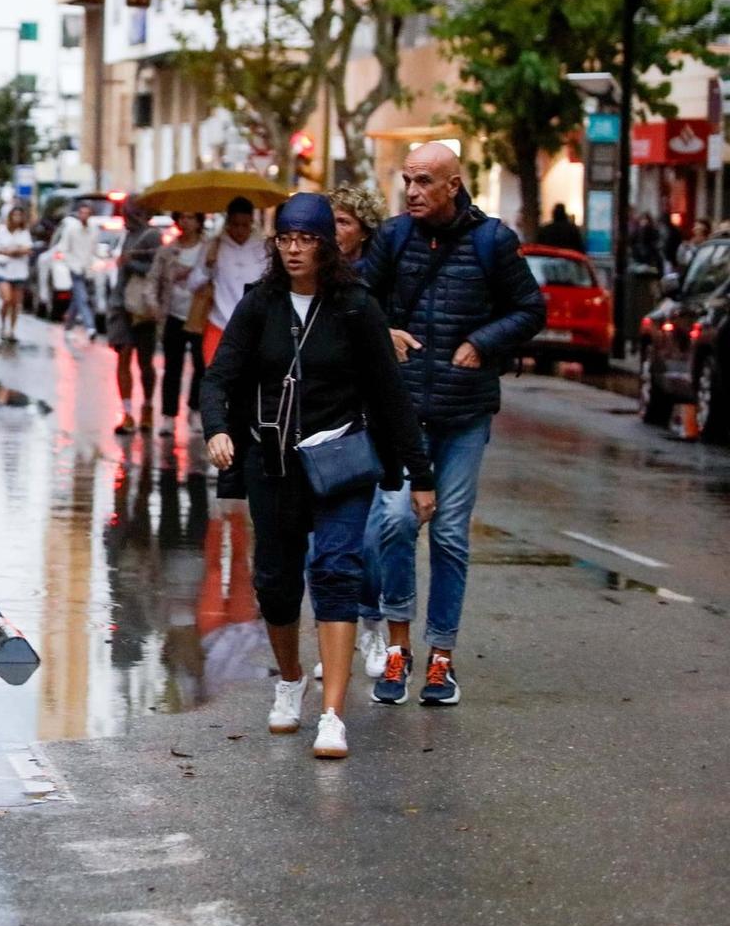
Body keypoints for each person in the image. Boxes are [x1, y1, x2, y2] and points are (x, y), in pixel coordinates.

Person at [202, 193, 437, 760]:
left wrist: (420, 473)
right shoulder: (260, 305)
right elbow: (219, 378)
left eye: (306, 240)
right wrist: (217, 429)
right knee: (275, 583)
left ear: (327, 247)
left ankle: (332, 714)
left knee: (336, 570)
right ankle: (290, 681)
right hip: (272, 464)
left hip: (339, 464)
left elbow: (390, 396)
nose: (294, 250)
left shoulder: (356, 307)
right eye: (285, 239)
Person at [360, 143, 545, 707]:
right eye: (407, 180)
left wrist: (480, 341)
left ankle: (441, 657)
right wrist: (384, 330)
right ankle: (397, 647)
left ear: (454, 185)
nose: (413, 191)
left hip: (464, 413)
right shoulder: (392, 237)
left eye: (424, 181)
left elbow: (531, 309)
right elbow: (358, 299)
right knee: (392, 523)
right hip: (403, 411)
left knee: (447, 533)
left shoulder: (494, 242)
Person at [323, 183, 390, 677]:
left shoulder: (380, 280)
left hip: (372, 421)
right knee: (320, 549)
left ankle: (371, 623)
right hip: (323, 423)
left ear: (364, 229)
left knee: (368, 537)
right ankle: (334, 637)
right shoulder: (311, 279)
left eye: (344, 222)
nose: (334, 231)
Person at [188, 196, 269, 365]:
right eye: (235, 224)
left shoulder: (264, 248)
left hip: (254, 330)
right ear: (227, 223)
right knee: (216, 382)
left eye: (244, 225)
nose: (239, 230)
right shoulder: (213, 246)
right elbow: (193, 284)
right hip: (219, 325)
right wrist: (207, 266)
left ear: (251, 222)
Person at [151, 211, 208, 433]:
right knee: (171, 366)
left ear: (199, 221)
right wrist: (154, 306)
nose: (186, 221)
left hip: (199, 314)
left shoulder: (208, 248)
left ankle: (195, 410)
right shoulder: (168, 250)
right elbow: (154, 278)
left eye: (192, 217)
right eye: (182, 217)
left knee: (201, 366)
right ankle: (168, 415)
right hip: (172, 314)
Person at [109, 204, 164, 435]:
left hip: (142, 307)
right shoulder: (128, 235)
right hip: (122, 305)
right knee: (123, 357)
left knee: (145, 362)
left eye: (130, 212)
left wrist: (129, 262)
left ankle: (148, 407)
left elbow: (154, 270)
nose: (126, 216)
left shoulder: (153, 236)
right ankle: (127, 412)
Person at [0, 206, 35, 342]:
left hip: (19, 272)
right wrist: (7, 252)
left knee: (15, 303)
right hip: (3, 270)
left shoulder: (24, 232)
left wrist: (18, 251)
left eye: (19, 216)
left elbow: (28, 248)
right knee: (7, 299)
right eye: (14, 216)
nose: (17, 219)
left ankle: (12, 330)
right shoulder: (1, 230)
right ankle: (3, 325)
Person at [56, 202, 99, 334]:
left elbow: (94, 249)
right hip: (75, 268)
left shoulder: (94, 229)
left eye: (87, 213)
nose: (84, 216)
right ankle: (90, 327)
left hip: (87, 268)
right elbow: (63, 248)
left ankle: (69, 322)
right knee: (82, 297)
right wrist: (70, 263)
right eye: (82, 213)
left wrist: (93, 264)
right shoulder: (71, 229)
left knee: (77, 298)